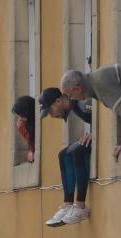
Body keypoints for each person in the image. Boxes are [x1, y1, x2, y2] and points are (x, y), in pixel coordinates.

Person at [61, 65, 121, 161]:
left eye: (70, 96)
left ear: (78, 88)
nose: (72, 99)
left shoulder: (99, 83)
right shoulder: (96, 84)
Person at [39, 87, 93, 227]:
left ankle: (80, 206)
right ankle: (68, 204)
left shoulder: (82, 103)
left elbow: (106, 112)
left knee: (78, 152)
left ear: (58, 101)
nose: (52, 115)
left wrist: (94, 133)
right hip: (94, 137)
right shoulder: (74, 108)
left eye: (50, 110)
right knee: (63, 155)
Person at [12, 95, 36, 163]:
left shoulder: (34, 123)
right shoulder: (26, 124)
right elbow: (30, 143)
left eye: (20, 115)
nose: (19, 119)